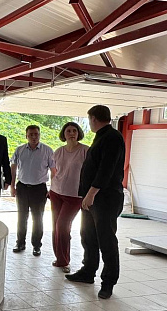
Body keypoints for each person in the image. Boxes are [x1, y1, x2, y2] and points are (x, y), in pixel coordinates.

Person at [66, 105, 125, 300]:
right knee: (88, 235)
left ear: (93, 118)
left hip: (105, 198)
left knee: (106, 239)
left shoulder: (112, 137)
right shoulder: (101, 136)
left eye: (89, 119)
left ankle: (108, 281)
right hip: (92, 198)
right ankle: (88, 271)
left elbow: (106, 170)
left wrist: (91, 193)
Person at [11, 125, 55, 256]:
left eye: (36, 134)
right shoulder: (19, 150)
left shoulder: (47, 151)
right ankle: (20, 243)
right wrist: (12, 186)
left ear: (39, 135)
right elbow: (13, 168)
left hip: (39, 189)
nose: (34, 137)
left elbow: (54, 171)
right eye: (31, 134)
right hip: (22, 188)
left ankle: (36, 245)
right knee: (21, 217)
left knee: (38, 218)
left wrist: (52, 188)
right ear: (26, 136)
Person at [50, 122, 89, 273]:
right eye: (68, 131)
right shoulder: (58, 151)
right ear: (64, 134)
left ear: (78, 133)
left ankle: (64, 260)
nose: (71, 133)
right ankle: (59, 259)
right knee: (56, 226)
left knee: (63, 225)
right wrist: (50, 186)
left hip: (75, 195)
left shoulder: (85, 151)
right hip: (56, 192)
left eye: (74, 131)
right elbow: (54, 171)